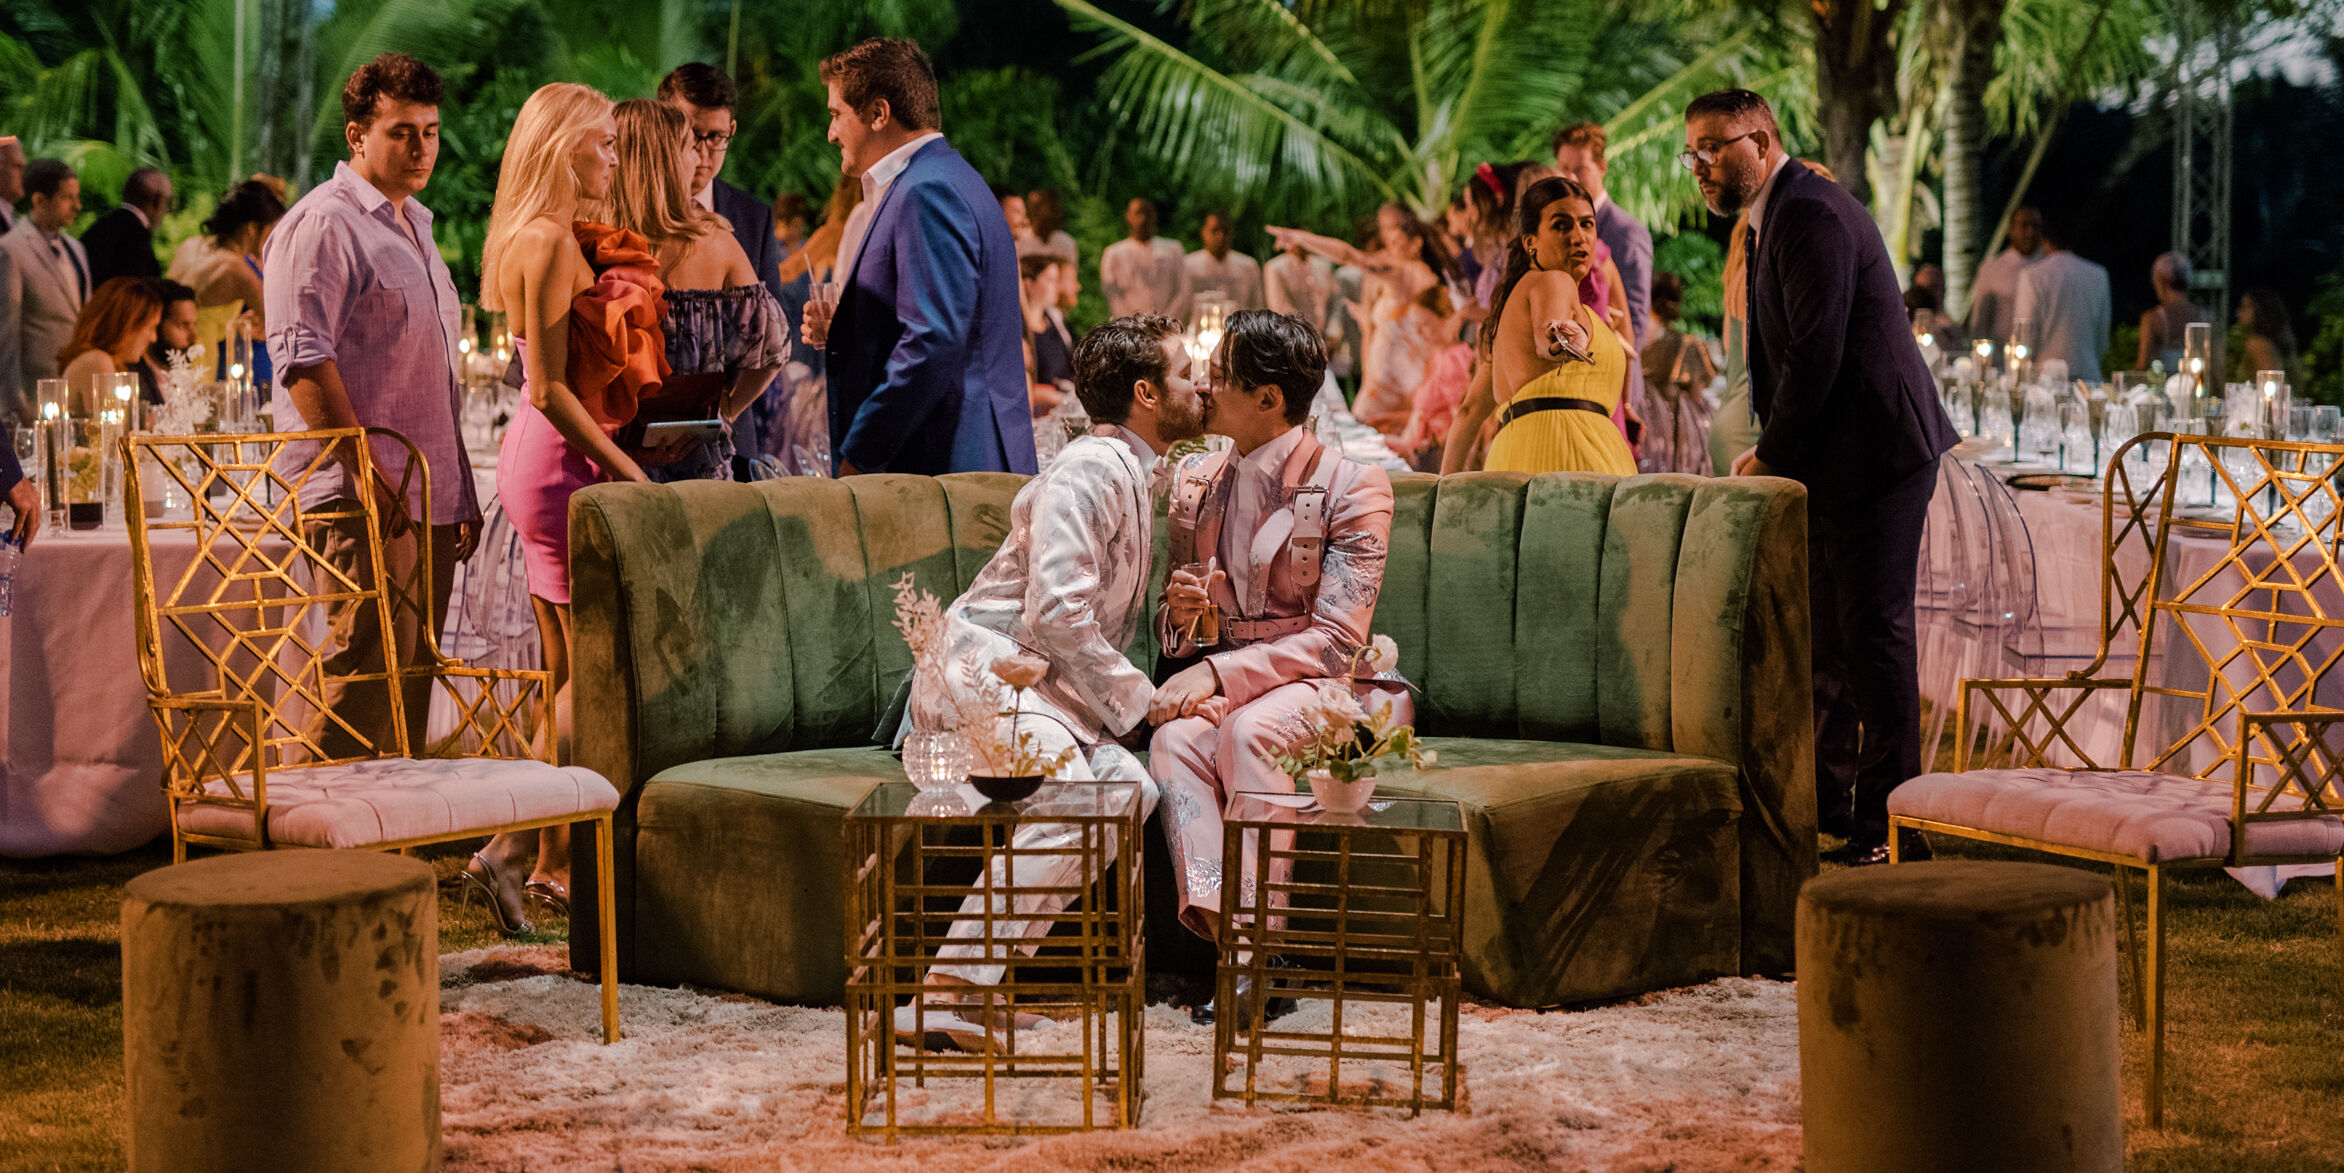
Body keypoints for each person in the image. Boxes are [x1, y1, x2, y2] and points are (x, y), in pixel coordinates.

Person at [896, 314, 1201, 1051]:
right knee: (1076, 797)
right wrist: (1145, 701)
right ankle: (940, 994)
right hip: (986, 670)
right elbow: (1057, 612)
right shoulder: (1094, 467)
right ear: (1145, 393)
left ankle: (985, 985)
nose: (1200, 385)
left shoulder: (1132, 471)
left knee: (1131, 791)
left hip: (1045, 691)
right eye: (1186, 373)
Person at [1685, 88, 1955, 866]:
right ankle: (1832, 804)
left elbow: (1817, 352)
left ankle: (1892, 829)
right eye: (1691, 151)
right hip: (1842, 456)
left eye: (1713, 147)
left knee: (1874, 635)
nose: (1699, 166)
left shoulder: (1808, 211)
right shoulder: (1771, 216)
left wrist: (1772, 453)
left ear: (1762, 141)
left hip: (1880, 452)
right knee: (1831, 637)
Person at [1149, 309, 1407, 1024]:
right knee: (1172, 741)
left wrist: (1219, 676)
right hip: (1233, 687)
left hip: (1325, 690)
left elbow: (1335, 642)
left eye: (1221, 377)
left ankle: (1259, 950)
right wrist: (1182, 618)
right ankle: (1237, 944)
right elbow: (1176, 637)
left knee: (1246, 733)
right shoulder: (1196, 481)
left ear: (1268, 399)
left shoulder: (1356, 486)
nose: (1203, 386)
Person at [264, 53, 483, 872]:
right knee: (358, 666)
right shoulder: (323, 222)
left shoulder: (415, 224)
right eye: (402, 132)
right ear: (358, 134)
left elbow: (437, 373)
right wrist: (366, 476)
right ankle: (311, 857)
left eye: (430, 132)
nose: (421, 147)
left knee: (409, 666)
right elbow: (302, 360)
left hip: (425, 489)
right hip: (360, 491)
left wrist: (455, 486)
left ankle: (385, 852)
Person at [475, 81, 633, 934]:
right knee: (585, 675)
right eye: (602, 143)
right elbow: (548, 388)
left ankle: (536, 856)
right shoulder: (547, 241)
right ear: (563, 145)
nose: (612, 158)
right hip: (563, 462)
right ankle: (507, 849)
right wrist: (625, 472)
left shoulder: (537, 236)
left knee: (562, 676)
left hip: (546, 462)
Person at [800, 38, 1037, 477]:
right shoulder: (951, 177)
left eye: (836, 114)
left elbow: (933, 341)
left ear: (878, 114)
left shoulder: (926, 191)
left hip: (949, 464)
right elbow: (950, 324)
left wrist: (861, 453)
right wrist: (847, 331)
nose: (830, 132)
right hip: (967, 456)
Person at [604, 98, 787, 485]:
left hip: (606, 457)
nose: (699, 156)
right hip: (695, 457)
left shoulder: (596, 244)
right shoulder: (715, 240)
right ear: (668, 160)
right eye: (690, 145)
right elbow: (774, 348)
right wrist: (728, 408)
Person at [1440, 176, 1636, 476]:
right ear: (1530, 242)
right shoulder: (1553, 280)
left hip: (1515, 456)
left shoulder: (1507, 310)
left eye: (1587, 224)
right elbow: (1550, 332)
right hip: (1567, 457)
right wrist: (1562, 339)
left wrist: (1444, 492)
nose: (1578, 236)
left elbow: (1468, 412)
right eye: (1561, 225)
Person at [661, 63, 787, 477]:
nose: (701, 151)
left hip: (726, 435)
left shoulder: (752, 218)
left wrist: (726, 411)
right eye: (690, 136)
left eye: (714, 137)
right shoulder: (630, 213)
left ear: (731, 130)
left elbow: (769, 341)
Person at [1267, 204, 1452, 434]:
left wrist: (1302, 239)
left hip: (1400, 388)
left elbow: (1349, 255)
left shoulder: (1406, 271)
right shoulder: (1402, 275)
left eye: (1392, 233)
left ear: (1415, 242)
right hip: (1384, 383)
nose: (1386, 241)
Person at [1554, 122, 1653, 411]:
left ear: (1601, 166)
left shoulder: (1626, 231)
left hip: (1613, 381)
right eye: (1563, 167)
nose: (1570, 177)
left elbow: (1634, 320)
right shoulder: (1556, 227)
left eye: (1580, 169)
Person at [1, 158, 87, 422]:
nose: (77, 205)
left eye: (77, 196)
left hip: (76, 391)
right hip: (35, 394)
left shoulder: (76, 249)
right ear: (39, 201)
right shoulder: (10, 250)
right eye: (67, 197)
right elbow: (6, 334)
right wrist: (16, 402)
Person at [180, 180, 286, 389]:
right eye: (271, 230)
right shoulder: (237, 269)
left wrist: (238, 325)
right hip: (202, 362)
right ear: (251, 228)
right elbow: (281, 321)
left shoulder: (205, 250)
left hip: (190, 355)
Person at [2012, 212, 2110, 381]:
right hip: (2088, 375)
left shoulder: (2032, 276)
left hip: (2045, 378)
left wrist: (2020, 374)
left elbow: (2025, 334)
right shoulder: (2097, 274)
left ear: (2043, 238)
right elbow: (2102, 334)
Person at [1639, 272, 1719, 475]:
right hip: (1677, 430)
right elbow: (1697, 392)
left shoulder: (1636, 339)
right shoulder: (1687, 344)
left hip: (1644, 428)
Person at [55, 277, 162, 403]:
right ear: (127, 324)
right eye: (151, 328)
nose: (154, 338)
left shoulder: (103, 360)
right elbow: (109, 422)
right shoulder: (98, 361)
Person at [80, 167, 169, 289]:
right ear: (157, 200)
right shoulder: (137, 236)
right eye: (166, 203)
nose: (166, 211)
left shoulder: (99, 226)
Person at [1101, 197, 1189, 320]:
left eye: (1148, 214)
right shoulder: (1113, 253)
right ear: (1128, 216)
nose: (1143, 219)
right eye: (1138, 213)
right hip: (1129, 328)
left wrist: (1164, 322)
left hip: (1167, 326)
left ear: (1155, 217)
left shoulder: (1174, 249)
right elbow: (1112, 295)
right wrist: (1133, 325)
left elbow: (1183, 290)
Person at [1966, 205, 2041, 348]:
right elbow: (1979, 322)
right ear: (2011, 229)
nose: (2030, 232)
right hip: (2001, 357)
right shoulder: (1992, 269)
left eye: (2035, 226)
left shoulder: (2047, 268)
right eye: (2024, 226)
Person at [2137, 251, 2208, 374]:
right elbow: (2215, 366)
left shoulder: (2153, 319)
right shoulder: (2205, 317)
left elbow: (2143, 365)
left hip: (2162, 390)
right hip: (2196, 388)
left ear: (2159, 282)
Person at [1021, 252, 1074, 415]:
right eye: (1051, 280)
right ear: (1029, 284)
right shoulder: (1020, 333)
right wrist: (1047, 395)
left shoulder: (1054, 322)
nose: (1057, 286)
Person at [138, 279, 200, 403]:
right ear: (157, 324)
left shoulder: (181, 378)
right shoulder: (135, 379)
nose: (193, 337)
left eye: (194, 325)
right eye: (183, 325)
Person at [1186, 211, 1263, 310]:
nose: (1220, 237)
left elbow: (1257, 306)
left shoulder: (1248, 266)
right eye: (1215, 230)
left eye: (1225, 231)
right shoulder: (1188, 265)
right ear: (1204, 232)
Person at [1263, 236, 1333, 339]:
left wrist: (1332, 330)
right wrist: (1306, 332)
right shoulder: (1275, 267)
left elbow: (1333, 299)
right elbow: (1279, 306)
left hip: (1323, 334)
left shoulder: (1323, 265)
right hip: (1292, 336)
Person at [2236, 288, 2300, 389]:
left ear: (2260, 310)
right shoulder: (2271, 342)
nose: (2238, 312)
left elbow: (2272, 385)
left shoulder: (2258, 344)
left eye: (2245, 307)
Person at [1023, 187, 1080, 275]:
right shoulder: (1019, 242)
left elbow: (1069, 280)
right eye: (1039, 209)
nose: (1047, 214)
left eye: (1052, 209)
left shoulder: (1066, 243)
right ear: (1031, 212)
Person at [771, 191, 811, 261]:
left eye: (800, 226)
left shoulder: (805, 247)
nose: (799, 231)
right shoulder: (771, 248)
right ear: (781, 223)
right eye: (795, 226)